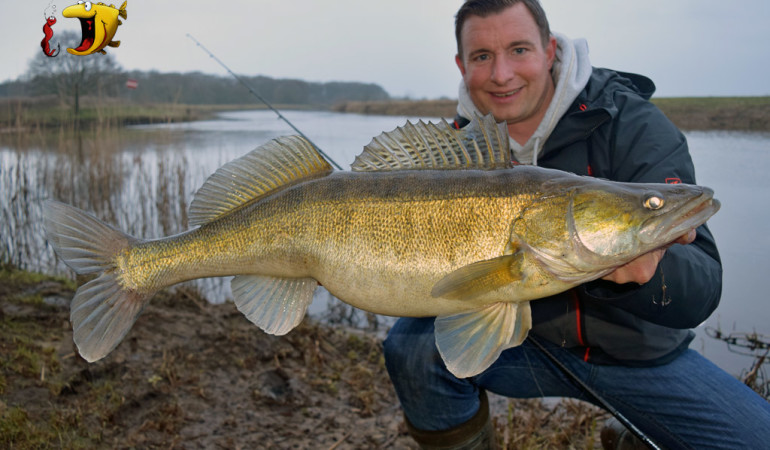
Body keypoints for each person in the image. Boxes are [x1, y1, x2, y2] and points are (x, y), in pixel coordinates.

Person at [382, 1, 770, 449]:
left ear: (549, 51)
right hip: (521, 344)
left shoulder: (633, 123)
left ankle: (634, 436)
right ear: (461, 65)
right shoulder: (450, 155)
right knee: (412, 349)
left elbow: (702, 287)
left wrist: (647, 275)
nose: (502, 74)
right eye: (482, 56)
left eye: (519, 49)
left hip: (636, 353)